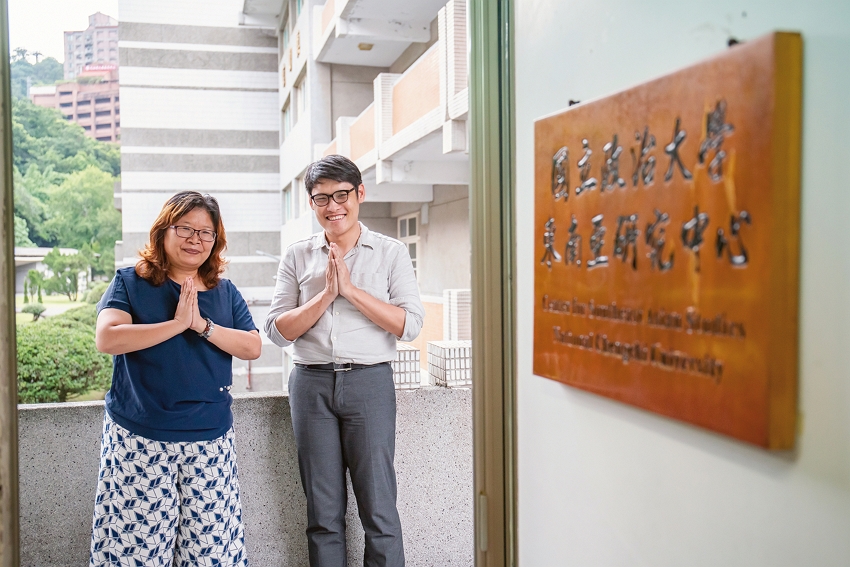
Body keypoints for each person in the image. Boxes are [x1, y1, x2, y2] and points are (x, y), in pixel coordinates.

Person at [265, 155, 424, 566]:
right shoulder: (297, 256)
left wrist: (351, 292)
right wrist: (324, 295)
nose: (333, 206)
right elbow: (278, 331)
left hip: (369, 383)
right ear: (311, 203)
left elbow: (409, 325)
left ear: (360, 194)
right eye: (322, 199)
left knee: (379, 509)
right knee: (322, 513)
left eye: (342, 195)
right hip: (310, 384)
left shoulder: (390, 253)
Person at [90, 191, 262, 566]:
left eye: (206, 233)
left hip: (210, 440)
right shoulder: (131, 282)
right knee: (133, 555)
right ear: (163, 231)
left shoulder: (224, 291)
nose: (195, 240)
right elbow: (108, 337)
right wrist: (176, 324)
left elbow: (252, 346)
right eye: (186, 228)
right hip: (139, 438)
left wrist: (201, 325)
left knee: (211, 556)